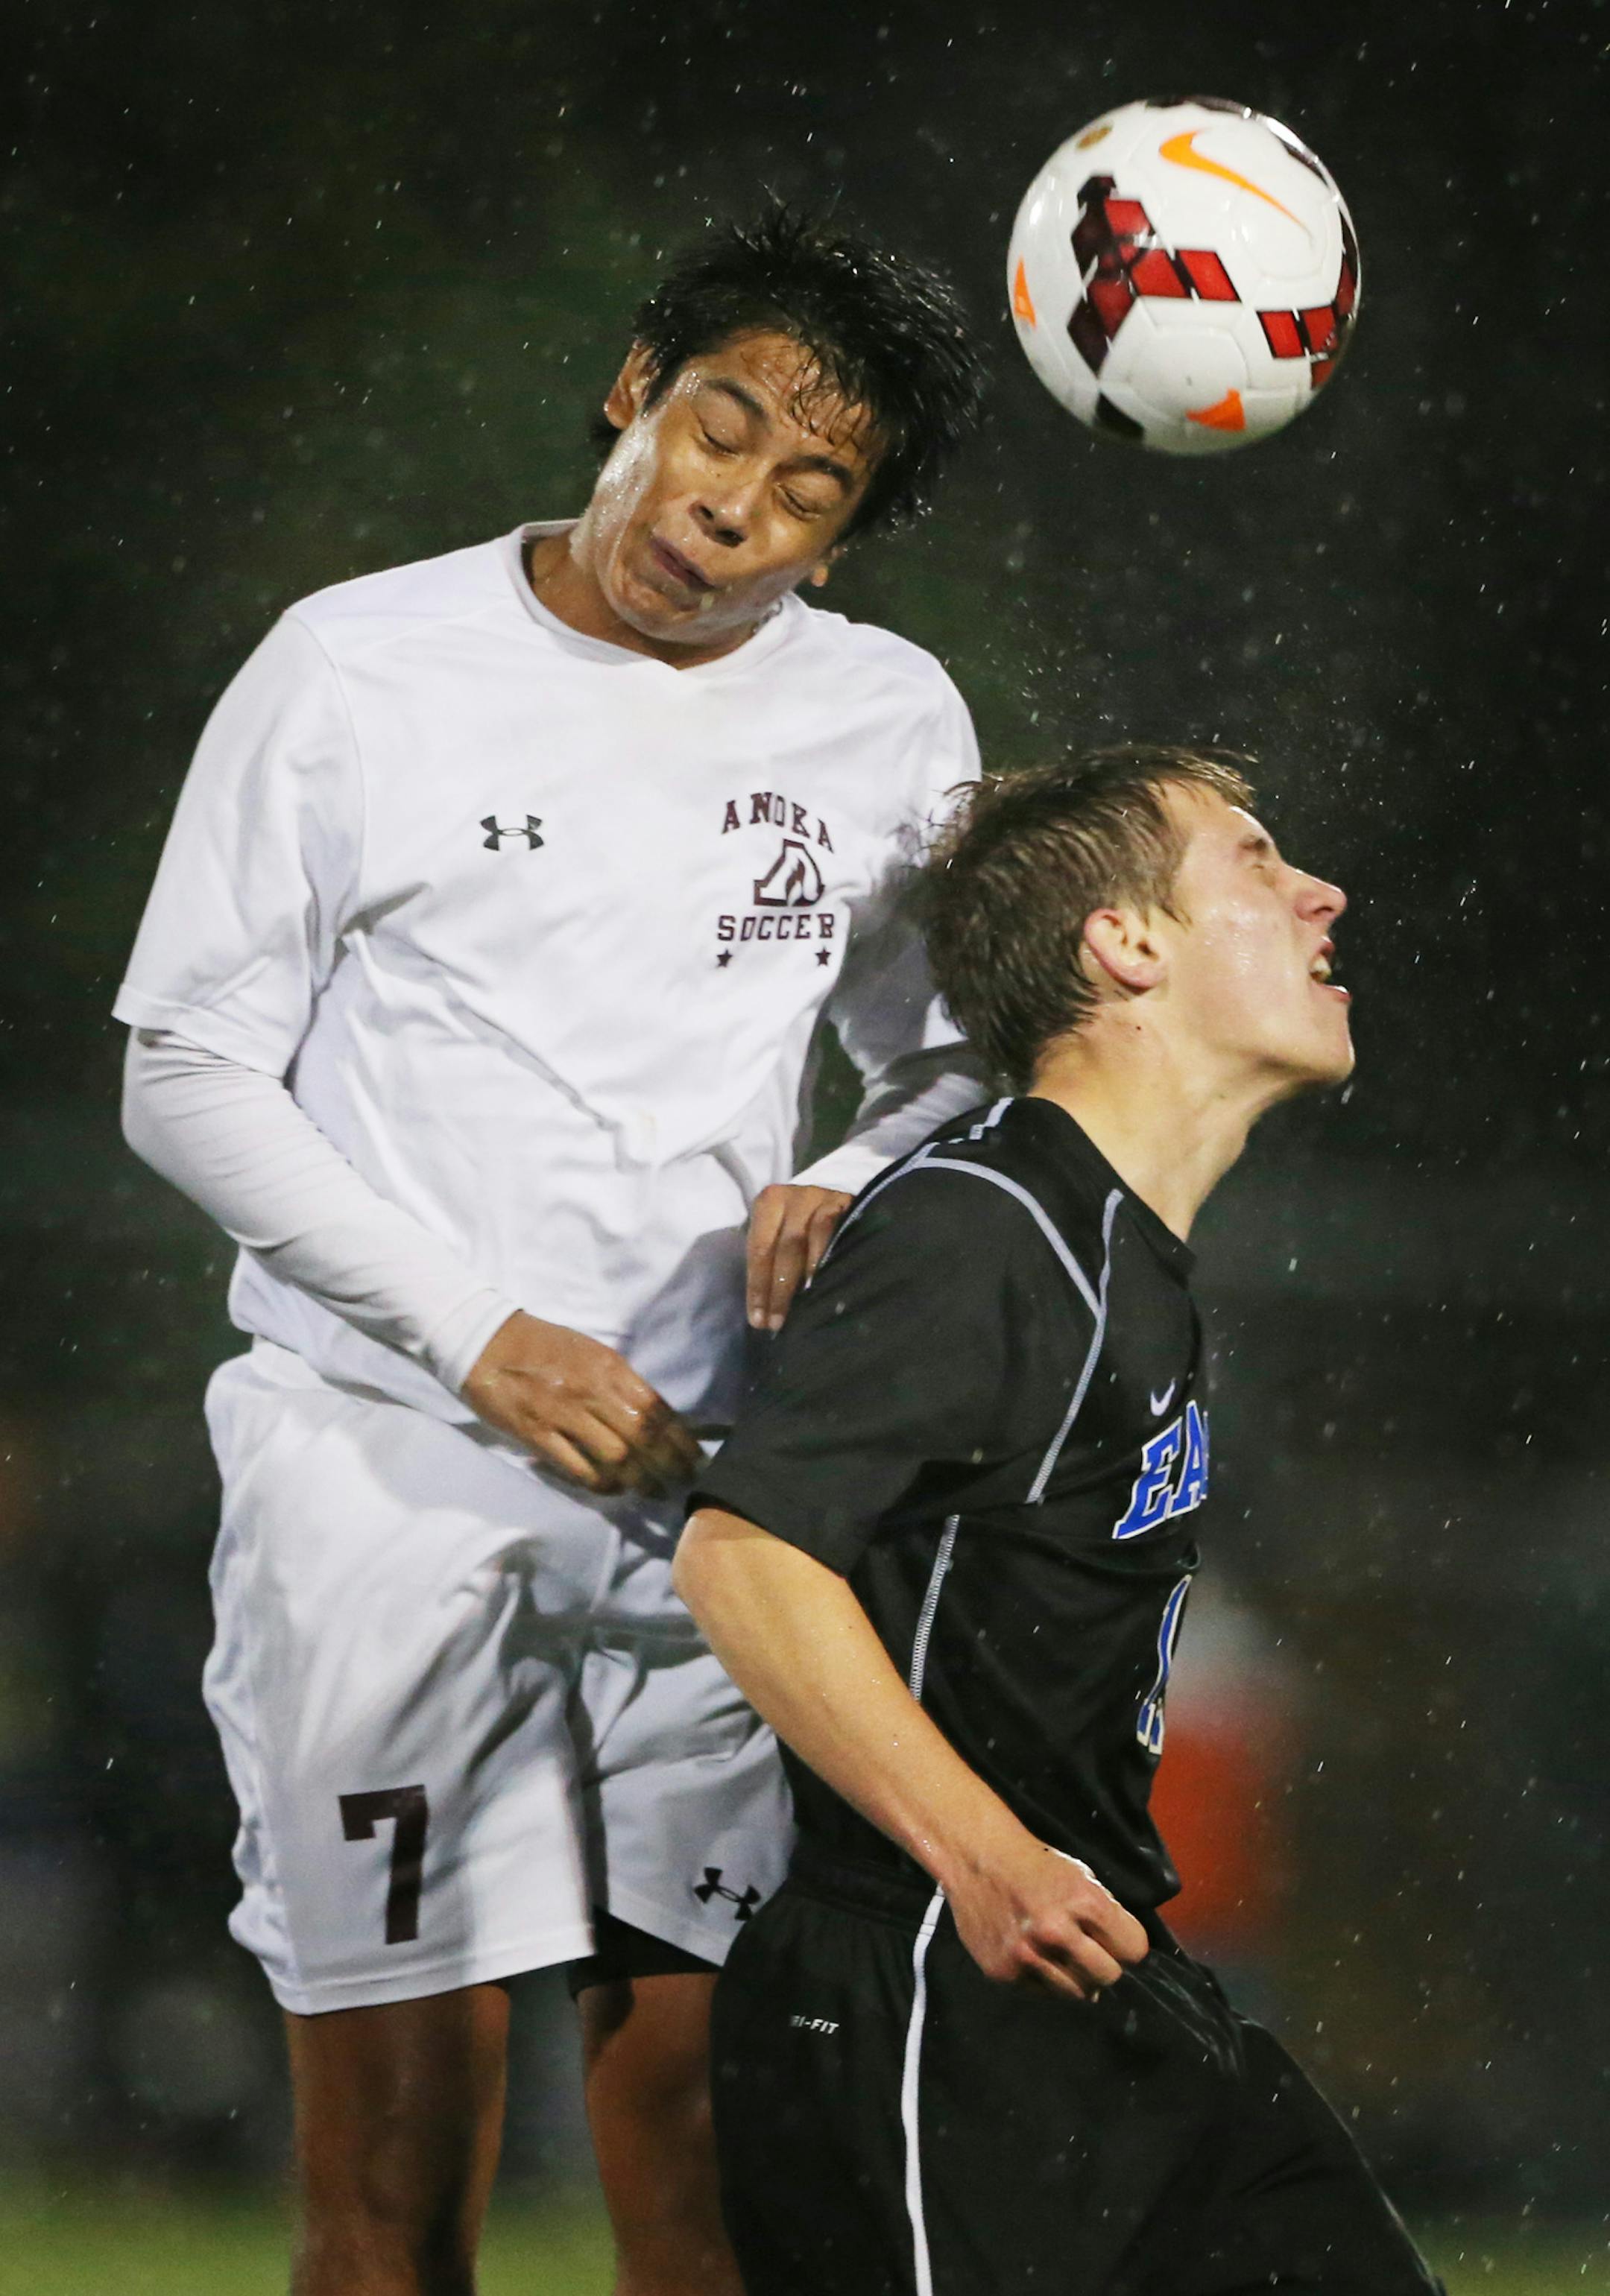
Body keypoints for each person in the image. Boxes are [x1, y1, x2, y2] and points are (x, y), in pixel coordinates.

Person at [114, 206, 987, 2296]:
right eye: (720, 424)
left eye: (809, 487)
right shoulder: (357, 666)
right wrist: (481, 1338)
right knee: (398, 2200)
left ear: (842, 543)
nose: (732, 507)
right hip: (383, 1483)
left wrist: (858, 1176)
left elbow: (957, 1073)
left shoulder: (886, 723)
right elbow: (182, 1071)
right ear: (633, 385)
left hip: (712, 1508)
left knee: (708, 2158)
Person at [677, 747, 1443, 2295]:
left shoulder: (1119, 1246)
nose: (1320, 893)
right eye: (1254, 859)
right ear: (1126, 942)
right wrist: (990, 1860)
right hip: (930, 1995)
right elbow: (744, 1551)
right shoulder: (987, 1225)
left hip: (1105, 1988)